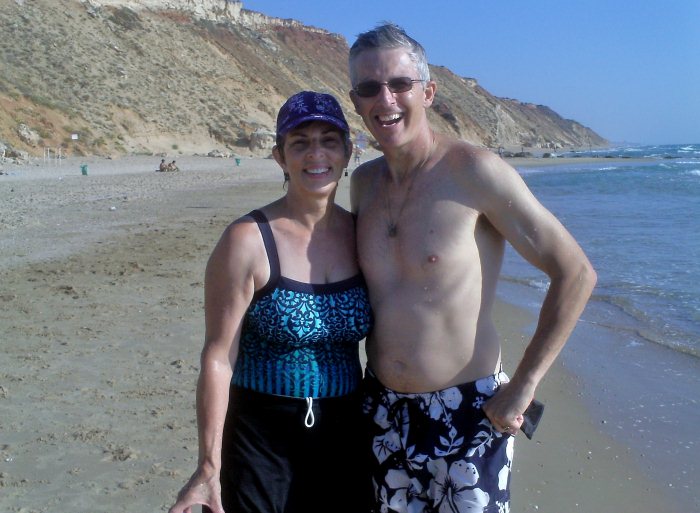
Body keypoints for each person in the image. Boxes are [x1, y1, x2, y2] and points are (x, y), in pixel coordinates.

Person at [348, 23, 597, 512]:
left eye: (400, 83)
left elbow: (576, 272)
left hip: (467, 417)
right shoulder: (363, 185)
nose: (386, 99)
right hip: (383, 412)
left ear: (428, 92)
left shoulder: (473, 172)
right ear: (356, 101)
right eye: (369, 87)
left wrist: (523, 386)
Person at [169, 91, 373, 513]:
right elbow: (218, 357)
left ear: (348, 152)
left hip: (346, 430)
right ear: (280, 157)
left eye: (328, 140)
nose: (316, 154)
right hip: (259, 436)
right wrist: (208, 466)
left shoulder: (364, 235)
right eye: (300, 143)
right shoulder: (247, 240)